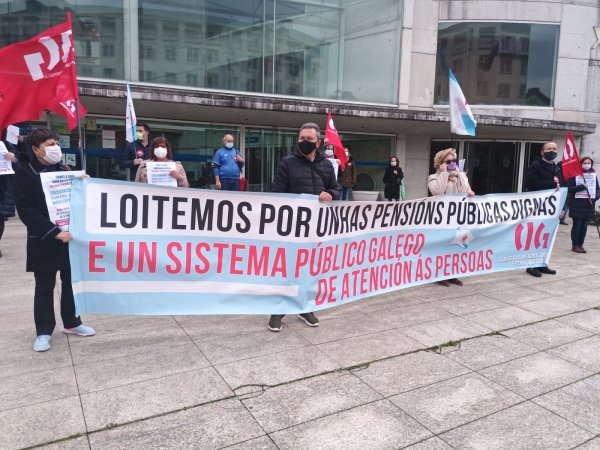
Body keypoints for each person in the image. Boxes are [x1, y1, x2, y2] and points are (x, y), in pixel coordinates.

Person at [14, 128, 95, 352]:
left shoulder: (64, 169)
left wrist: (85, 185)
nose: (55, 148)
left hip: (70, 237)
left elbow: (78, 200)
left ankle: (72, 322)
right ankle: (44, 330)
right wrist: (54, 232)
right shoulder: (25, 173)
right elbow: (25, 209)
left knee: (70, 282)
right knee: (44, 286)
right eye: (50, 144)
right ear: (35, 149)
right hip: (44, 238)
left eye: (57, 143)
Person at [268, 122, 341, 332]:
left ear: (318, 142)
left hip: (316, 228)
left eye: (309, 139)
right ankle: (278, 311)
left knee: (310, 270)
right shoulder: (287, 163)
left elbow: (336, 188)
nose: (304, 142)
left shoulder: (327, 165)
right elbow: (277, 193)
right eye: (301, 138)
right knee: (288, 270)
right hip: (292, 227)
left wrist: (331, 194)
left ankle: (305, 308)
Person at [428, 148, 475, 287]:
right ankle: (438, 275)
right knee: (442, 246)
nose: (452, 163)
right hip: (443, 218)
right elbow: (437, 191)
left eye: (453, 160)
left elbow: (466, 189)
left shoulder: (460, 176)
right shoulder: (434, 177)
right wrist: (443, 174)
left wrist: (469, 190)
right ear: (440, 163)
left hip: (458, 217)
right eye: (448, 161)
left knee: (457, 246)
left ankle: (452, 274)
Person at [524, 141, 561, 277]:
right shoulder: (536, 165)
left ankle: (542, 263)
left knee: (546, 237)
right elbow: (530, 183)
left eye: (554, 149)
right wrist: (552, 184)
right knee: (535, 237)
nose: (552, 151)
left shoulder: (556, 167)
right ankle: (531, 266)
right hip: (537, 207)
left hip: (551, 208)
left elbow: (561, 186)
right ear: (542, 152)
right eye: (549, 149)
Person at [567, 156, 599, 253]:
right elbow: (569, 188)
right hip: (577, 204)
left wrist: (595, 196)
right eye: (585, 163)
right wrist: (582, 186)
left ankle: (581, 244)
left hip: (588, 205)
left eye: (589, 163)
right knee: (577, 226)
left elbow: (597, 189)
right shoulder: (574, 175)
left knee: (584, 227)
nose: (587, 165)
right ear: (580, 164)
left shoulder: (593, 175)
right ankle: (575, 245)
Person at [0, 145, 17, 257]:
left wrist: (13, 159)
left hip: (2, 187)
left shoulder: (6, 144)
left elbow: (18, 166)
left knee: (0, 218)